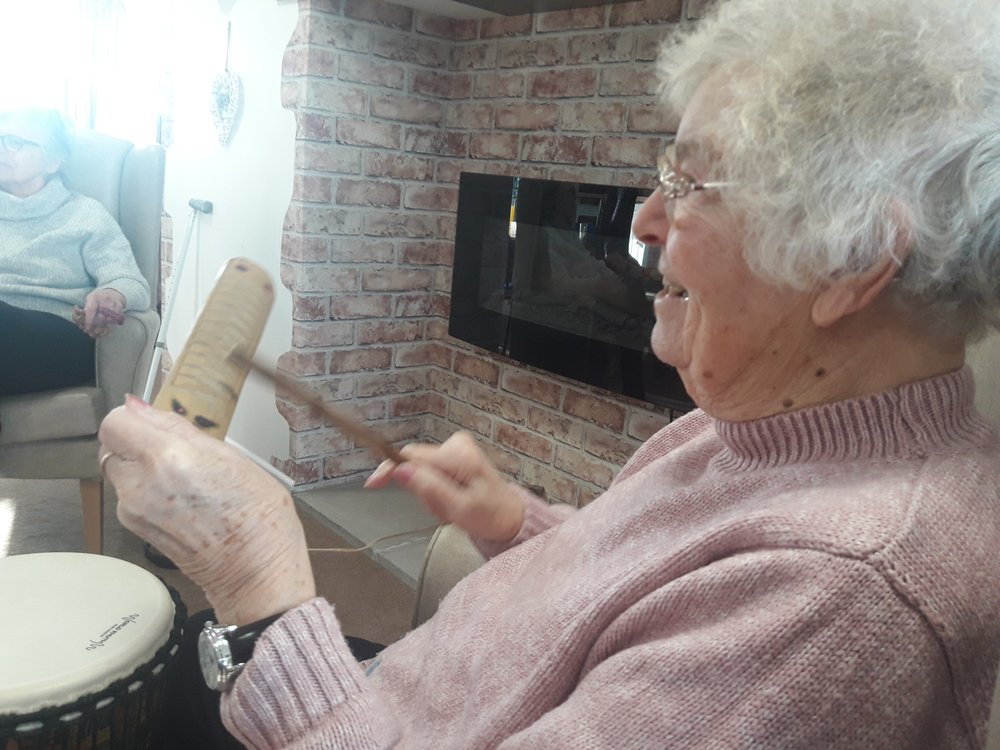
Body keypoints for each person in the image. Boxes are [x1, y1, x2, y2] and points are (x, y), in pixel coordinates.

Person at [98, 0, 1000, 746]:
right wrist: (519, 523)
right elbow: (646, 613)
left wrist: (255, 579)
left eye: (691, 186)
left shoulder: (843, 600)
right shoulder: (764, 427)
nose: (643, 222)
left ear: (856, 263)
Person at [0, 107, 150, 396]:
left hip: (56, 338)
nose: (2, 149)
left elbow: (131, 282)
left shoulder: (85, 215)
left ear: (53, 161)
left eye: (14, 142)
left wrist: (112, 295)